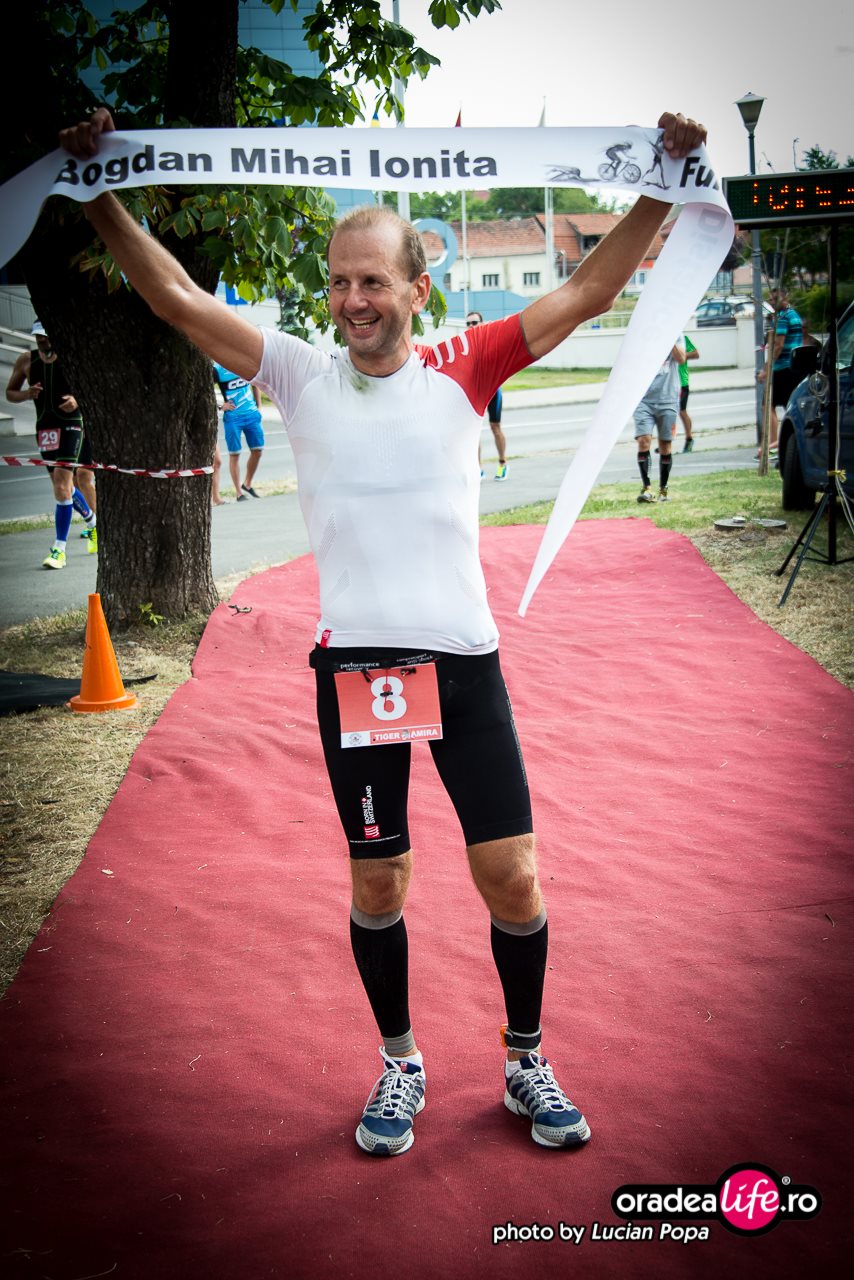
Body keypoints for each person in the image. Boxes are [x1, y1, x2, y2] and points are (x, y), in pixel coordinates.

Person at [59, 106, 707, 1157]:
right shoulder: (298, 375)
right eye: (337, 280)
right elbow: (174, 298)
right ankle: (399, 1060)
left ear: (416, 288)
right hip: (360, 666)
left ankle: (524, 1056)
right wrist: (98, 196)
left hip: (463, 660)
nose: (351, 300)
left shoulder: (466, 364)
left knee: (513, 876)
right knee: (379, 880)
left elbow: (588, 291)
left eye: (372, 281)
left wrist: (663, 184)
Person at [5, 321, 97, 568]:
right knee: (61, 488)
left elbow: (94, 387)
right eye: (38, 337)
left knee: (62, 485)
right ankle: (93, 522)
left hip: (71, 424)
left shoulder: (72, 357)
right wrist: (26, 394)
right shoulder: (26, 360)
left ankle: (59, 550)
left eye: (45, 336)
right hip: (45, 427)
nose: (42, 341)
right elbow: (10, 392)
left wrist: (78, 401)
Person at [633, 341, 686, 503]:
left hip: (667, 400)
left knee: (665, 445)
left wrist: (668, 338)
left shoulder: (676, 334)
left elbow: (681, 358)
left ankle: (663, 489)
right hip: (643, 400)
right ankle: (646, 488)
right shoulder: (645, 335)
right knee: (644, 440)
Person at [757, 289, 803, 461]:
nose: (771, 300)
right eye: (770, 298)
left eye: (775, 298)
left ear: (785, 297)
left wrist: (767, 369)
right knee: (788, 406)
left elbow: (778, 345)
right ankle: (785, 443)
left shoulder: (783, 317)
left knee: (767, 405)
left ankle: (774, 443)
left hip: (782, 368)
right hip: (794, 367)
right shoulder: (794, 315)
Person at [465, 311, 508, 480]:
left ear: (482, 324)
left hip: (493, 390)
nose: (471, 326)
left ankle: (503, 463)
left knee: (495, 427)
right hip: (476, 391)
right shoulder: (466, 346)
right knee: (474, 430)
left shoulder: (490, 342)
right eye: (468, 323)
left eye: (474, 322)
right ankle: (478, 468)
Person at [213, 361, 265, 499]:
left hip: (252, 414)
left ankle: (247, 484)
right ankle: (238, 492)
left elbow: (255, 384)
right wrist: (220, 405)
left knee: (258, 451)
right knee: (235, 454)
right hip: (233, 418)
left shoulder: (242, 362)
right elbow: (203, 389)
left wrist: (259, 407)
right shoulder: (217, 370)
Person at [678, 334, 699, 451]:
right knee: (666, 413)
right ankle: (666, 441)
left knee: (682, 411)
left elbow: (696, 354)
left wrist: (681, 355)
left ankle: (689, 439)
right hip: (667, 384)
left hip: (682, 382)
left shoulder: (682, 338)